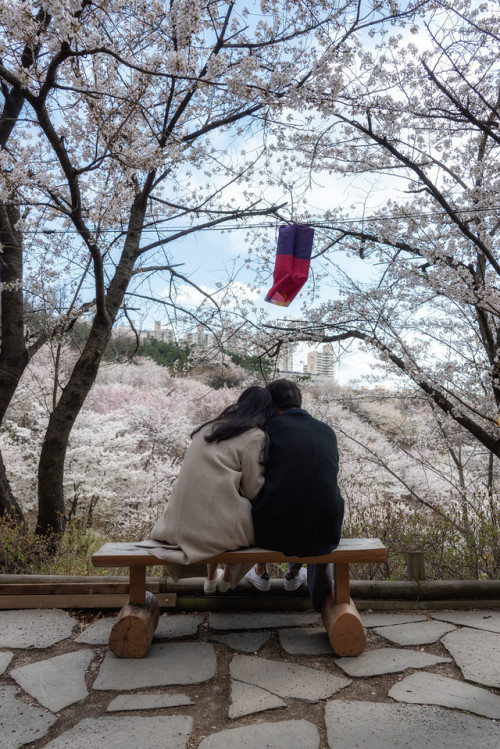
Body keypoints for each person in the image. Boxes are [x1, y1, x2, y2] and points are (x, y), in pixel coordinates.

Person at [147, 386, 274, 592]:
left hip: (177, 525)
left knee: (220, 505)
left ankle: (211, 578)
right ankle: (228, 579)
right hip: (217, 530)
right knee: (254, 526)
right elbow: (253, 489)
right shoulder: (255, 436)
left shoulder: (210, 428)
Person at [246, 379, 344, 611]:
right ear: (298, 402)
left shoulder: (264, 432)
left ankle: (260, 571)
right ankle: (293, 573)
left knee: (264, 495)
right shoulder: (326, 431)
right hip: (327, 532)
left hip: (273, 534)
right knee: (314, 497)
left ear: (270, 404)